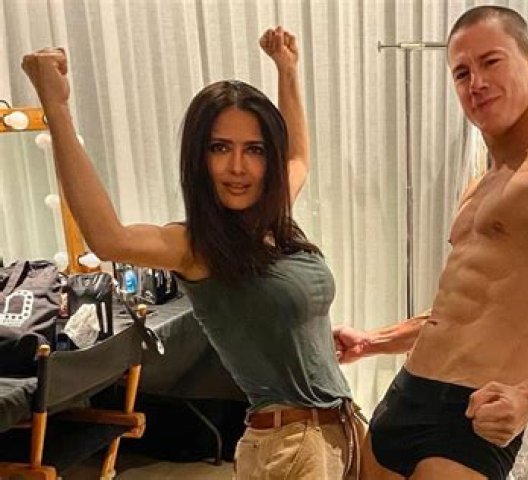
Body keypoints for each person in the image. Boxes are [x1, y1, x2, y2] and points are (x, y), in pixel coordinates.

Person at [22, 26, 363, 480]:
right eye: (220, 148)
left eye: (255, 149)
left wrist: (287, 70)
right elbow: (108, 238)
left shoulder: (273, 218)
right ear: (198, 158)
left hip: (338, 431)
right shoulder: (196, 245)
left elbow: (298, 156)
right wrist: (56, 108)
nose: (238, 166)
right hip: (291, 448)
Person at [334, 6, 528, 480]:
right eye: (462, 72)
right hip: (406, 395)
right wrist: (373, 342)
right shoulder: (481, 185)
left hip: (470, 415)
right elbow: (458, 310)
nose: (477, 83)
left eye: (491, 62)